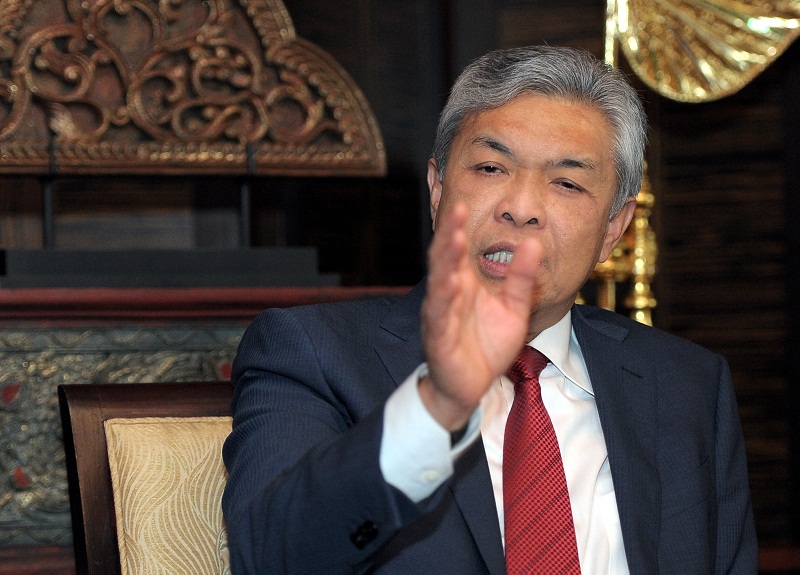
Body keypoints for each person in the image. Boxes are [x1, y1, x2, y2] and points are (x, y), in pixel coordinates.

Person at [222, 45, 757, 574]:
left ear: (613, 230)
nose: (521, 208)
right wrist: (438, 407)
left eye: (567, 182)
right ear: (436, 190)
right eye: (490, 167)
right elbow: (275, 556)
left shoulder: (688, 384)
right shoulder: (313, 352)